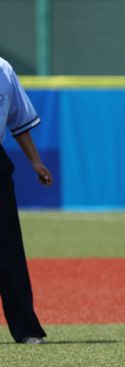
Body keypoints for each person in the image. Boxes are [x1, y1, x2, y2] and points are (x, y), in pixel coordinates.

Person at [0, 56, 53, 344]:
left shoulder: (3, 69)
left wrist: (35, 161)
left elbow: (19, 120)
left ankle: (26, 328)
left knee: (8, 250)